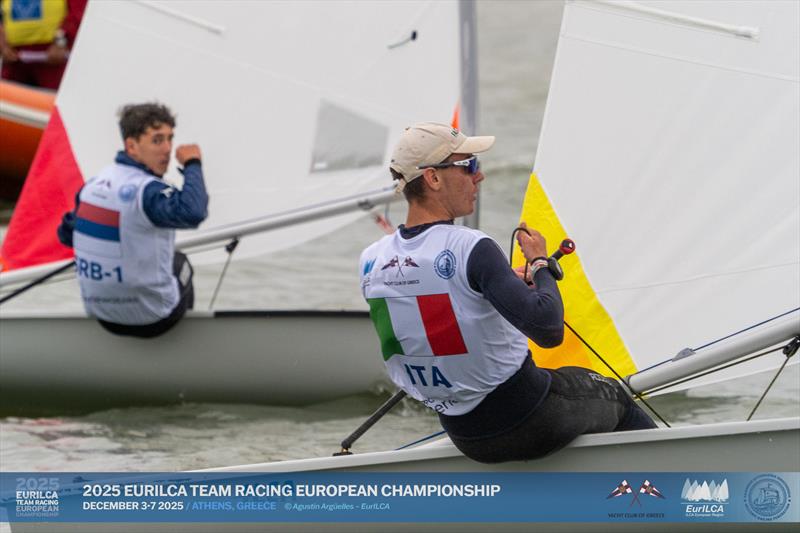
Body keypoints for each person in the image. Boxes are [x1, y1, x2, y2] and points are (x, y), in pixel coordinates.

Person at [359, 122, 655, 463]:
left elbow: (435, 298)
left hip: (468, 437)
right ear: (433, 178)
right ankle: (670, 485)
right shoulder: (470, 246)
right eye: (469, 166)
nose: (479, 176)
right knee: (613, 394)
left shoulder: (372, 259)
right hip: (531, 418)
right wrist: (541, 265)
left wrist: (497, 286)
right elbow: (548, 330)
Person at [57, 102, 208, 338]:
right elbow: (193, 213)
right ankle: (181, 351)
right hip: (154, 321)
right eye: (157, 140)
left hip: (103, 319)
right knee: (180, 262)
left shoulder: (93, 185)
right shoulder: (151, 191)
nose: (168, 149)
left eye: (170, 138)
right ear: (132, 146)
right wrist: (192, 165)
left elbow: (66, 236)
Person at [0, 0, 87, 89]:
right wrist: (2, 43)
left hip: (53, 58)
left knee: (53, 99)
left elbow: (79, 11)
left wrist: (62, 40)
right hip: (13, 57)